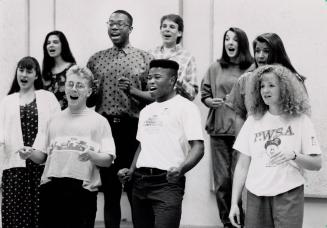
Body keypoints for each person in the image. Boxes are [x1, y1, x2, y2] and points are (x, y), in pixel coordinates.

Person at [229, 64, 322, 228]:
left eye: (271, 85)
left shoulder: (301, 120)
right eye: (262, 86)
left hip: (288, 194)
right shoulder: (253, 121)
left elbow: (316, 163)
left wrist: (294, 155)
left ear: (284, 88)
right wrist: (234, 203)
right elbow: (242, 165)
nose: (265, 90)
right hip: (256, 196)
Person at [24, 65, 116, 228]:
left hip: (83, 191)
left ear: (88, 91)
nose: (74, 89)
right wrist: (29, 153)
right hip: (51, 189)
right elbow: (41, 157)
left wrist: (92, 155)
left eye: (80, 86)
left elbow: (108, 159)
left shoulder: (100, 121)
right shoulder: (52, 120)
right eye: (70, 84)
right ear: (65, 87)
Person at [86, 9, 154, 228]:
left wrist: (133, 90)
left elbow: (154, 100)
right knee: (110, 192)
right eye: (111, 23)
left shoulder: (145, 58)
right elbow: (88, 102)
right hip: (106, 130)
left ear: (130, 29)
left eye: (120, 24)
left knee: (136, 190)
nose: (114, 27)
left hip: (134, 130)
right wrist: (93, 93)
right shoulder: (96, 59)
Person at [118, 59, 204, 228]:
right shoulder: (146, 111)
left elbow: (198, 148)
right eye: (149, 77)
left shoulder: (186, 107)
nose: (150, 81)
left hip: (167, 184)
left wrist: (181, 169)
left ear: (172, 80)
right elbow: (143, 146)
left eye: (157, 77)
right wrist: (131, 170)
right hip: (140, 182)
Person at [200, 27, 253, 228]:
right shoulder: (215, 67)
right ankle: (228, 223)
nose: (230, 43)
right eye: (226, 39)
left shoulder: (252, 68)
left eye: (235, 39)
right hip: (220, 131)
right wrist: (208, 101)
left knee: (242, 180)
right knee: (222, 182)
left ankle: (246, 221)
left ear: (242, 43)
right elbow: (204, 93)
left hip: (244, 132)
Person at [0, 56, 60, 228]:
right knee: (14, 219)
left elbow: (56, 131)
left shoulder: (47, 98)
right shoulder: (7, 101)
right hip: (14, 170)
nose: (24, 74)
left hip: (42, 168)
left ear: (36, 75)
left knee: (42, 217)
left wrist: (40, 154)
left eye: (29, 71)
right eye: (21, 70)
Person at [227, 33, 307, 134]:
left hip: (286, 139)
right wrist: (241, 148)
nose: (260, 56)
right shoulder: (244, 81)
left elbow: (302, 117)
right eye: (257, 51)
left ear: (277, 53)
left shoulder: (293, 80)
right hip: (255, 141)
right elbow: (239, 117)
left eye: (266, 51)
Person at [150, 14, 198, 101]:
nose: (167, 30)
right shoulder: (150, 54)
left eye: (172, 27)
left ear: (179, 33)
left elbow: (192, 95)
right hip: (154, 106)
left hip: (177, 107)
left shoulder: (188, 57)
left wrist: (181, 83)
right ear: (160, 30)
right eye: (164, 26)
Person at [42, 30, 76, 110]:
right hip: (50, 119)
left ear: (63, 45)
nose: (51, 45)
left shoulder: (73, 69)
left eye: (55, 42)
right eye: (48, 43)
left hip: (68, 118)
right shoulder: (45, 72)